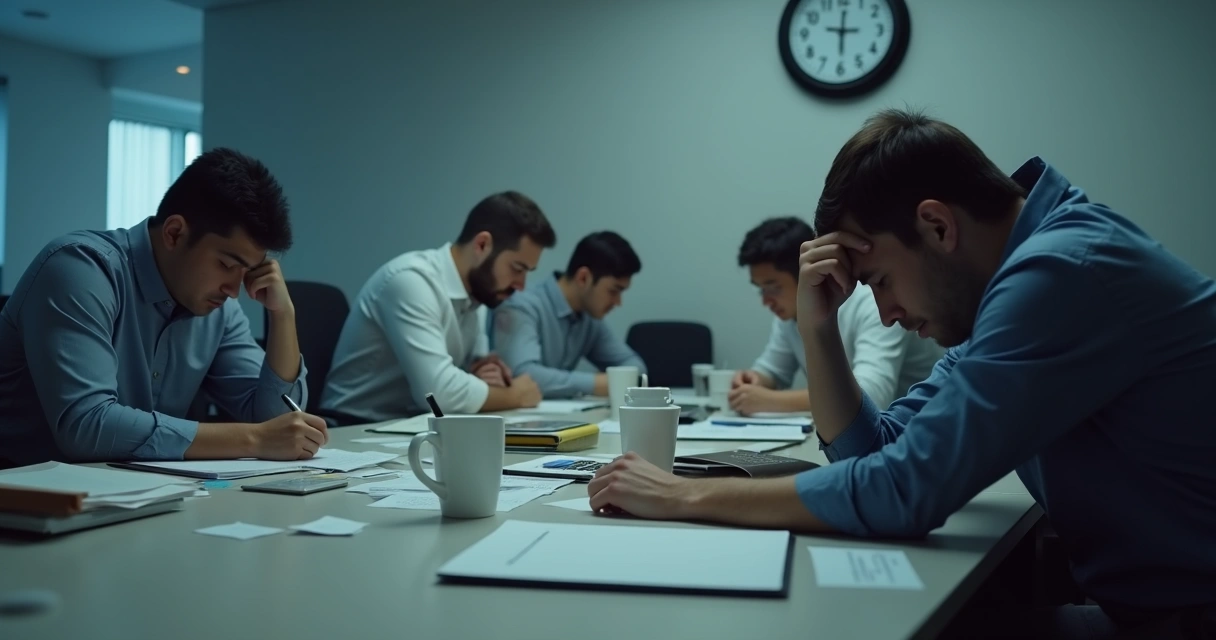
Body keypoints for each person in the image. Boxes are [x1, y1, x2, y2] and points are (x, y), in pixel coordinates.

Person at [586, 110, 1216, 638]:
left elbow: (905, 490)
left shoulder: (1061, 272)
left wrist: (682, 495)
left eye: (880, 282)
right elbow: (873, 451)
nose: (885, 315)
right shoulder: (1017, 277)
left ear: (937, 226)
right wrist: (818, 327)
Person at [0, 148, 325, 466]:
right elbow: (87, 426)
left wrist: (283, 316)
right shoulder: (80, 269)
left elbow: (278, 426)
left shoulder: (218, 310)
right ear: (174, 233)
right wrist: (254, 439)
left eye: (247, 272)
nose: (234, 290)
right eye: (226, 264)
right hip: (25, 497)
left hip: (133, 495)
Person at [321, 191, 555, 420]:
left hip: (413, 425)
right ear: (482, 245)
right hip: (352, 426)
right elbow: (438, 394)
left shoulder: (480, 294)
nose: (521, 285)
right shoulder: (411, 281)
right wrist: (515, 395)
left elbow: (474, 374)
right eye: (517, 268)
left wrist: (486, 375)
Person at [730, 217, 939, 415]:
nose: (765, 301)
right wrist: (754, 381)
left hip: (919, 429)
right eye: (760, 289)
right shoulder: (790, 313)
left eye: (773, 288)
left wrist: (769, 401)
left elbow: (872, 397)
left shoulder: (873, 304)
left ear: (803, 275)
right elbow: (773, 372)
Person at [493, 231, 646, 398]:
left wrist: (611, 382)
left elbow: (635, 366)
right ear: (583, 278)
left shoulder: (590, 318)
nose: (618, 302)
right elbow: (523, 376)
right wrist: (599, 384)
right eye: (613, 291)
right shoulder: (522, 305)